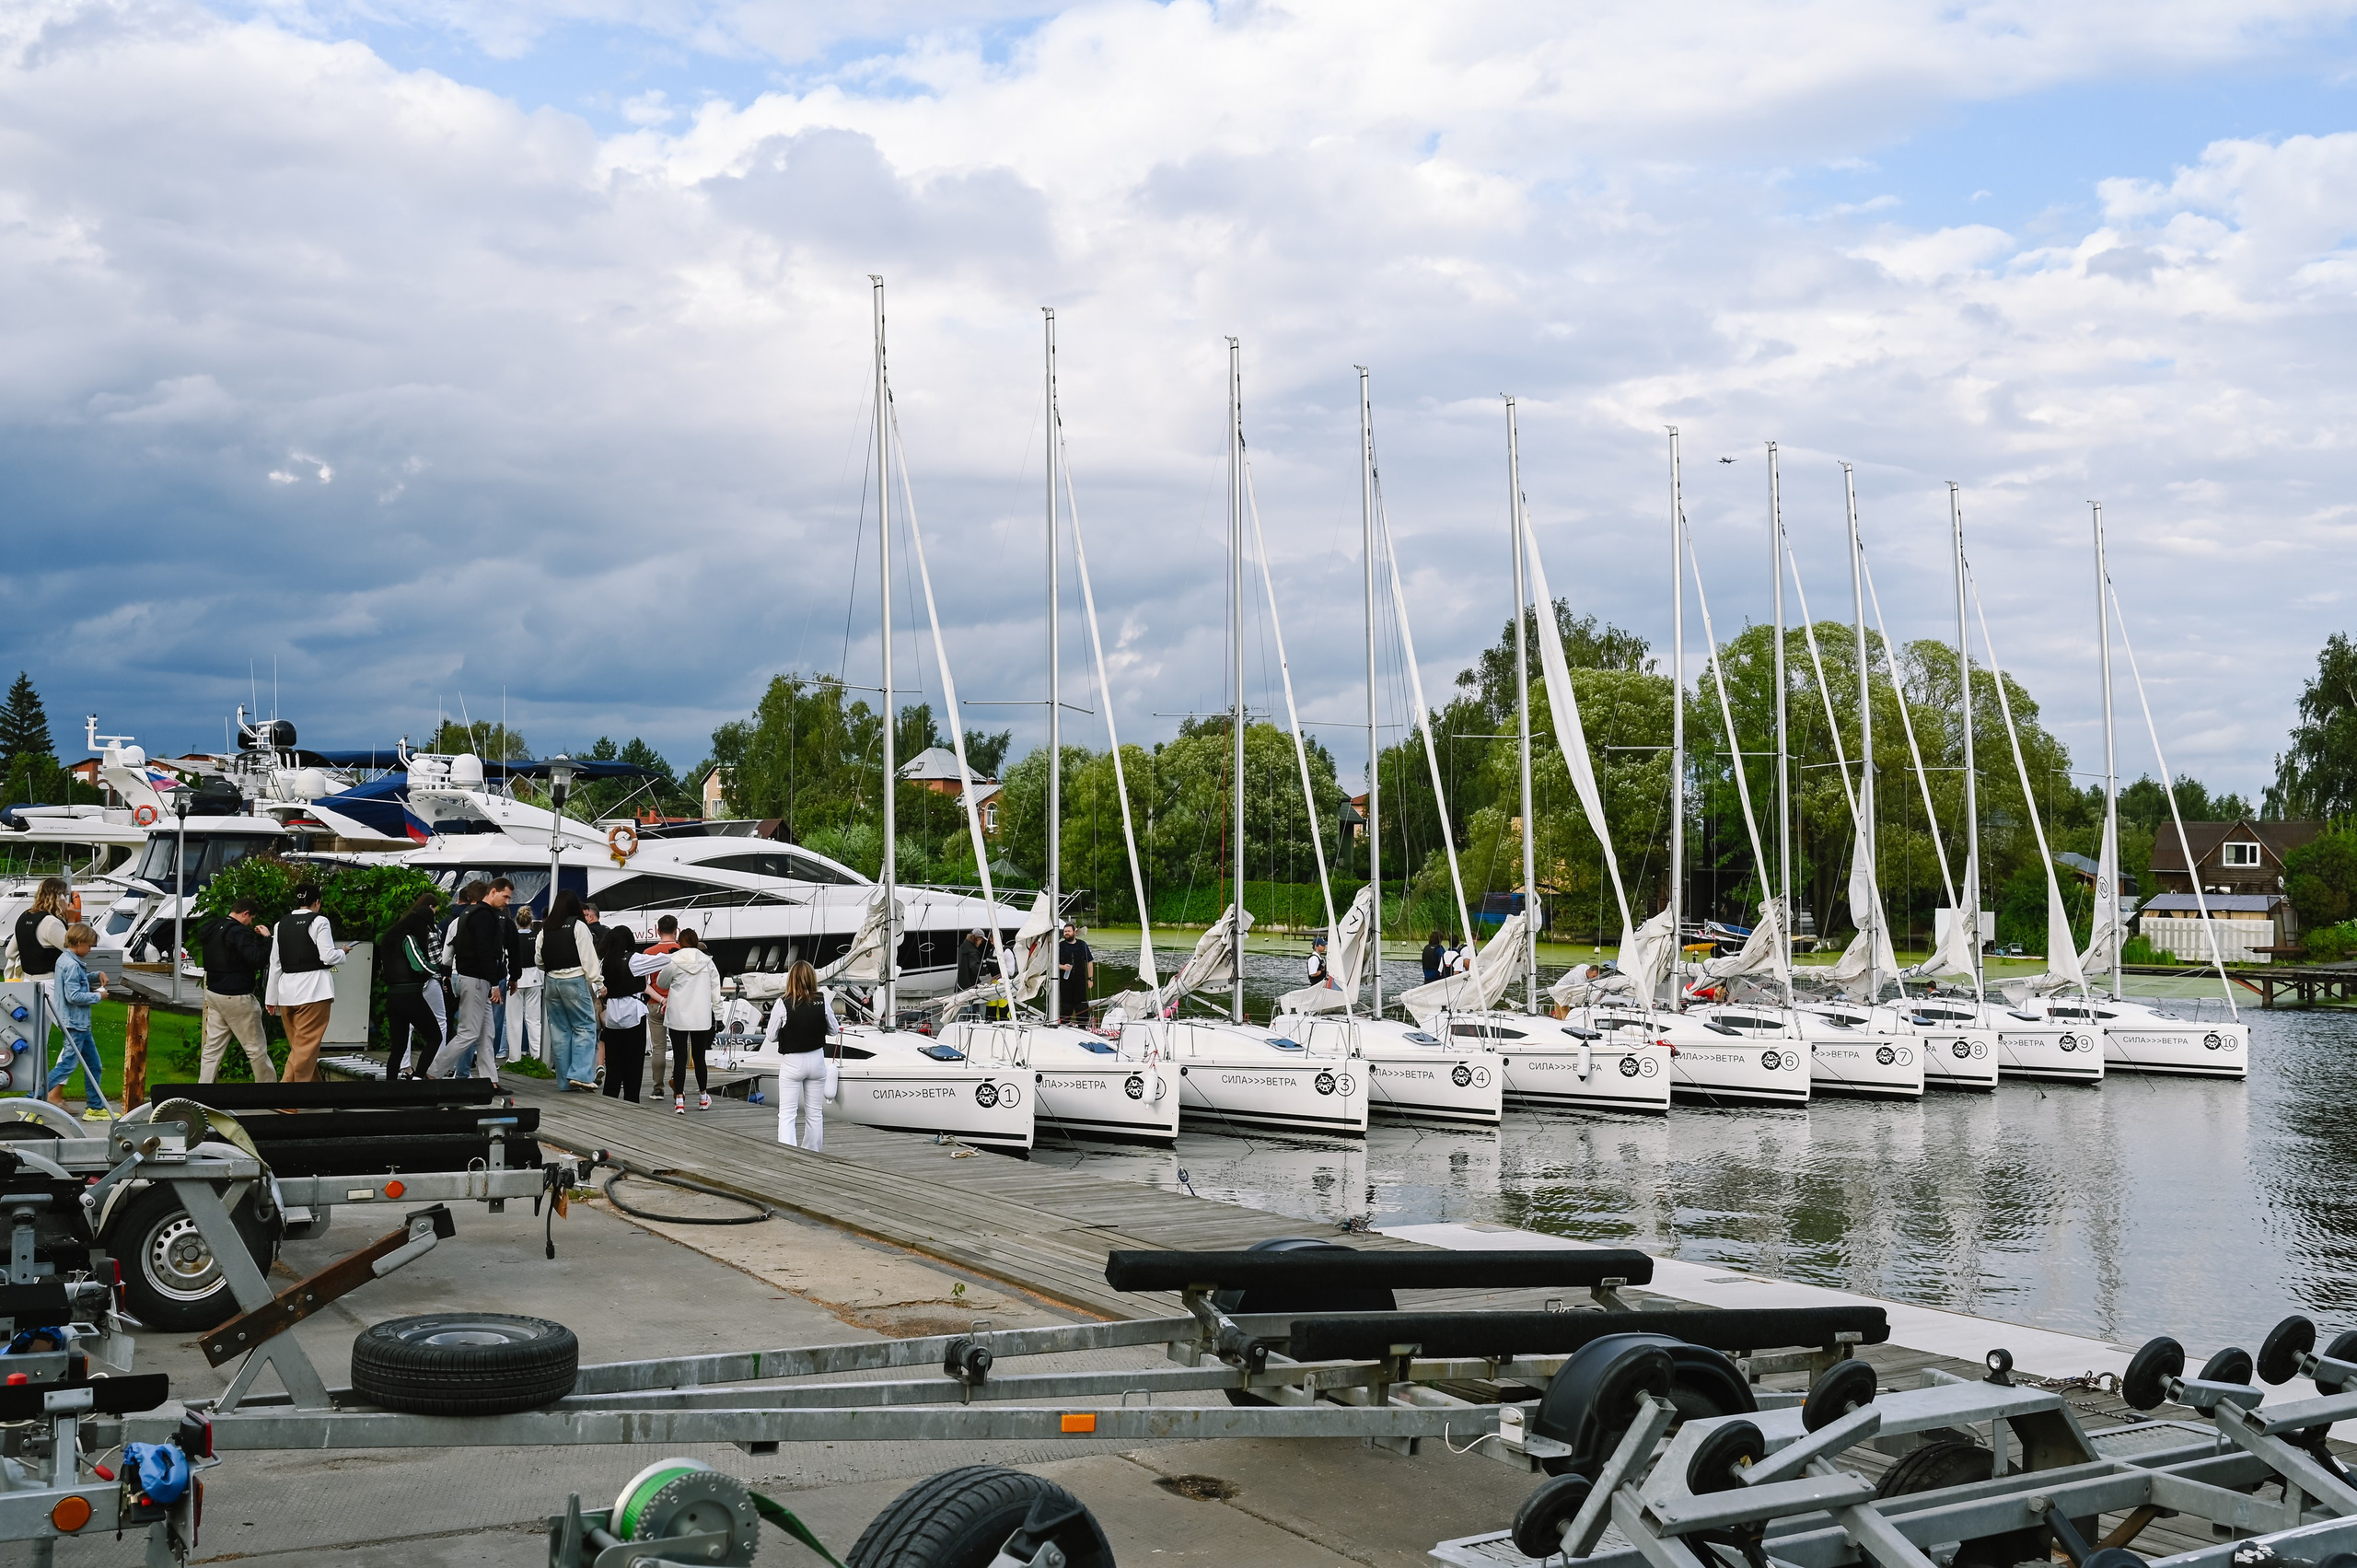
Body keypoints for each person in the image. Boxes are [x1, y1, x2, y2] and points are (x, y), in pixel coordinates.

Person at [429, 878, 512, 1080]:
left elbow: (451, 946)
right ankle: (433, 1072)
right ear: (493, 891)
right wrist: (494, 984)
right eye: (505, 896)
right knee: (468, 1033)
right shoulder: (485, 916)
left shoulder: (467, 914)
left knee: (485, 1035)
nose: (507, 902)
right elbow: (484, 952)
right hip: (477, 979)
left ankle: (490, 1081)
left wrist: (447, 973)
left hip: (470, 977)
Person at [265, 883, 346, 1083]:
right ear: (317, 902)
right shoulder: (320, 922)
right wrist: (342, 953)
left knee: (300, 1048)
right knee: (304, 1050)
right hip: (314, 991)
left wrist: (271, 998)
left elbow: (275, 963)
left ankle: (314, 1094)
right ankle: (286, 1098)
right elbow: (327, 956)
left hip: (286, 993)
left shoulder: (280, 924)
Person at [196, 899, 276, 1083]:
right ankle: (269, 1091)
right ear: (245, 913)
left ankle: (202, 1091)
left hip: (214, 992)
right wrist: (267, 939)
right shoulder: (238, 932)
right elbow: (257, 959)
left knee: (213, 1048)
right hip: (237, 995)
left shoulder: (213, 927)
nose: (251, 923)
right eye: (252, 918)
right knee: (255, 1048)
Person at [766, 959, 838, 1150]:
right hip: (816, 1060)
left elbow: (771, 1036)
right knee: (815, 1113)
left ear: (791, 979)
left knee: (788, 1113)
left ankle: (789, 1153)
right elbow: (834, 1030)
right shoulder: (822, 1000)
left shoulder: (783, 1003)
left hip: (792, 1062)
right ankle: (812, 1152)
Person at [536, 889, 603, 1092]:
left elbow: (538, 960)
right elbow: (588, 958)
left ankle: (565, 1081)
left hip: (551, 982)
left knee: (560, 1031)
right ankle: (581, 1074)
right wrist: (598, 982)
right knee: (584, 1026)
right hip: (573, 980)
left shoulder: (545, 927)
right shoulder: (578, 925)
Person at [44, 924, 110, 1121]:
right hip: (75, 1023)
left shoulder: (66, 959)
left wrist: (95, 974)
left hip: (78, 1023)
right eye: (90, 946)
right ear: (80, 943)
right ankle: (32, 1101)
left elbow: (77, 981)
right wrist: (98, 996)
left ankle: (95, 1108)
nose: (90, 950)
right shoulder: (73, 965)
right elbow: (73, 995)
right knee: (66, 1066)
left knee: (94, 1065)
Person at [378, 893, 442, 1079]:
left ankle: (390, 1088)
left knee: (398, 1047)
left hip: (393, 996)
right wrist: (437, 967)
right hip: (410, 995)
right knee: (434, 1037)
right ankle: (418, 1078)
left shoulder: (389, 938)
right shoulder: (409, 938)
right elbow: (419, 965)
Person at [15, 877, 75, 1074]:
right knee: (75, 1035)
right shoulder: (51, 923)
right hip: (50, 982)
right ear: (58, 896)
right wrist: (74, 921)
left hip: (27, 983)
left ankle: (38, 1088)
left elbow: (9, 953)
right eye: (65, 895)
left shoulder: (24, 917)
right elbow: (74, 949)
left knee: (37, 1040)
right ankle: (55, 1087)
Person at [657, 929, 718, 1113]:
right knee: (699, 1058)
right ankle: (702, 1097)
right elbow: (716, 989)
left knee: (680, 1058)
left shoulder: (674, 960)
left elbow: (661, 982)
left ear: (679, 942)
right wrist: (719, 1014)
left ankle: (679, 1100)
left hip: (678, 1015)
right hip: (700, 1016)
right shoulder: (708, 962)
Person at [598, 925, 649, 1103]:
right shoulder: (634, 959)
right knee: (634, 1062)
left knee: (614, 1063)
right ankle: (632, 1098)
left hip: (612, 1015)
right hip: (633, 1013)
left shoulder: (605, 962)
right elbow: (660, 962)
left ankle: (610, 1097)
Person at [643, 915, 680, 1087]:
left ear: (658, 931)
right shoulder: (682, 951)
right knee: (679, 1048)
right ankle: (677, 1083)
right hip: (678, 1005)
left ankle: (658, 1087)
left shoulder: (647, 953)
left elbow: (645, 985)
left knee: (658, 1049)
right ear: (676, 930)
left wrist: (661, 998)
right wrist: (670, 999)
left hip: (655, 1003)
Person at [508, 905, 543, 1064]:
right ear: (531, 921)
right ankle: (537, 1055)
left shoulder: (512, 937)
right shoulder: (537, 936)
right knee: (534, 1020)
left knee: (514, 1020)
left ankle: (514, 1057)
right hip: (534, 978)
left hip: (515, 979)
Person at [1055, 920, 1094, 1026]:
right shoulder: (1060, 946)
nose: (1066, 933)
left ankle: (1083, 1026)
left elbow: (1090, 962)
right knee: (1066, 1006)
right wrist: (1062, 967)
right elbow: (1052, 964)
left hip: (1080, 982)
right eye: (1065, 931)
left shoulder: (1082, 945)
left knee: (1081, 1005)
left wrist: (1090, 979)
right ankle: (1063, 1026)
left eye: (1068, 931)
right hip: (1065, 983)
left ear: (1074, 932)